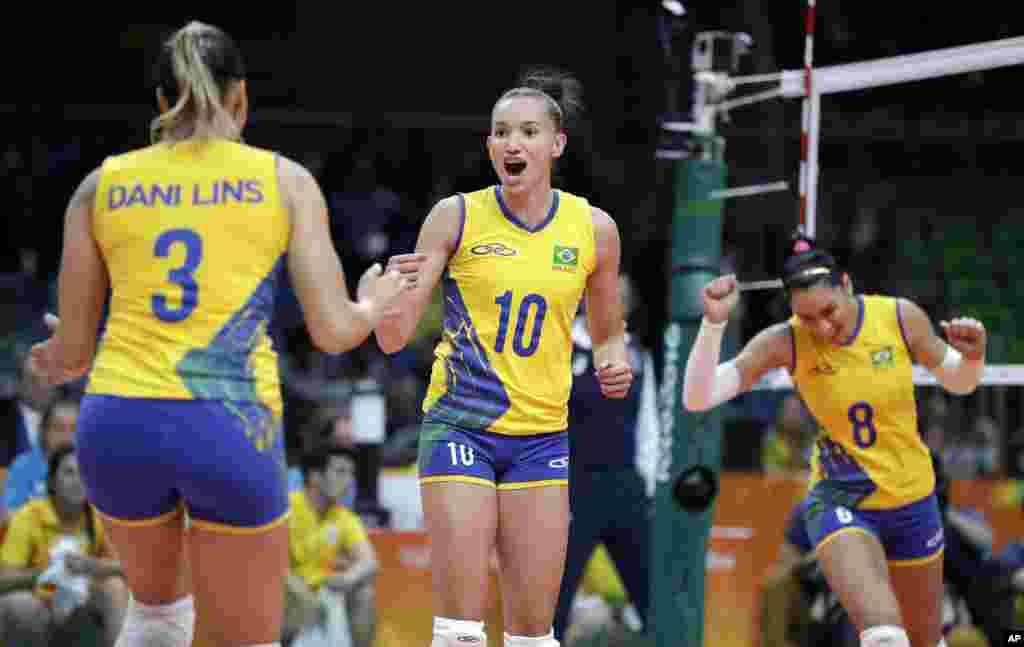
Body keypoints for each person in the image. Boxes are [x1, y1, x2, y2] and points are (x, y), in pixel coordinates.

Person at [26, 21, 412, 647]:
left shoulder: (100, 186)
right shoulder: (284, 181)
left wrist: (56, 351)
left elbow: (68, 359)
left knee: (155, 615)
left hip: (119, 421)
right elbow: (334, 331)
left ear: (159, 103)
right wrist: (371, 304)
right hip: (227, 424)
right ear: (241, 100)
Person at [374, 68, 633, 647]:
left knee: (533, 634)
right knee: (462, 630)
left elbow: (609, 333)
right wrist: (385, 302)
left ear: (556, 144)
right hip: (461, 423)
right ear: (489, 145)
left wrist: (615, 363)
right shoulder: (455, 216)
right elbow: (393, 339)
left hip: (542, 436)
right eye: (500, 133)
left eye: (527, 132)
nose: (512, 143)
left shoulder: (595, 230)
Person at [683, 231, 986, 647]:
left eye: (829, 311)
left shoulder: (899, 317)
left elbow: (962, 381)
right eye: (808, 318)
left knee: (926, 640)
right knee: (884, 637)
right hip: (841, 497)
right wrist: (713, 323)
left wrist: (973, 358)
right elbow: (698, 397)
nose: (822, 327)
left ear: (846, 286)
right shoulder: (785, 341)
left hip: (912, 498)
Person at [551, 273, 655, 643]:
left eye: (622, 297)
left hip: (625, 486)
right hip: (573, 486)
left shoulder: (638, 354)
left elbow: (648, 428)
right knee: (554, 599)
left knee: (653, 599)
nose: (614, 303)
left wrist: (648, 487)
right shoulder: (561, 347)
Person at [0, 445, 128, 647]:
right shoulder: (28, 516)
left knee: (116, 587)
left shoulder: (99, 516)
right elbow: (4, 580)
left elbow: (129, 568)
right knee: (19, 604)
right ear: (52, 481)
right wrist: (45, 574)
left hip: (81, 593)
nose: (78, 481)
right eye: (69, 473)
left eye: (84, 473)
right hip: (42, 590)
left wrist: (92, 566)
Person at [285, 444, 378, 647]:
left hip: (326, 594)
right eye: (340, 472)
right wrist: (303, 595)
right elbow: (269, 566)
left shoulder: (344, 517)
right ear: (315, 476)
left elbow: (369, 561)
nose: (349, 480)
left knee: (364, 592)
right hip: (289, 592)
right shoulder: (286, 508)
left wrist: (348, 578)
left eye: (351, 473)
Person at [3, 396, 78, 516]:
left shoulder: (93, 469)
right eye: (59, 428)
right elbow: (12, 514)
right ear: (44, 431)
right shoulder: (24, 466)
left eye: (73, 429)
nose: (67, 436)